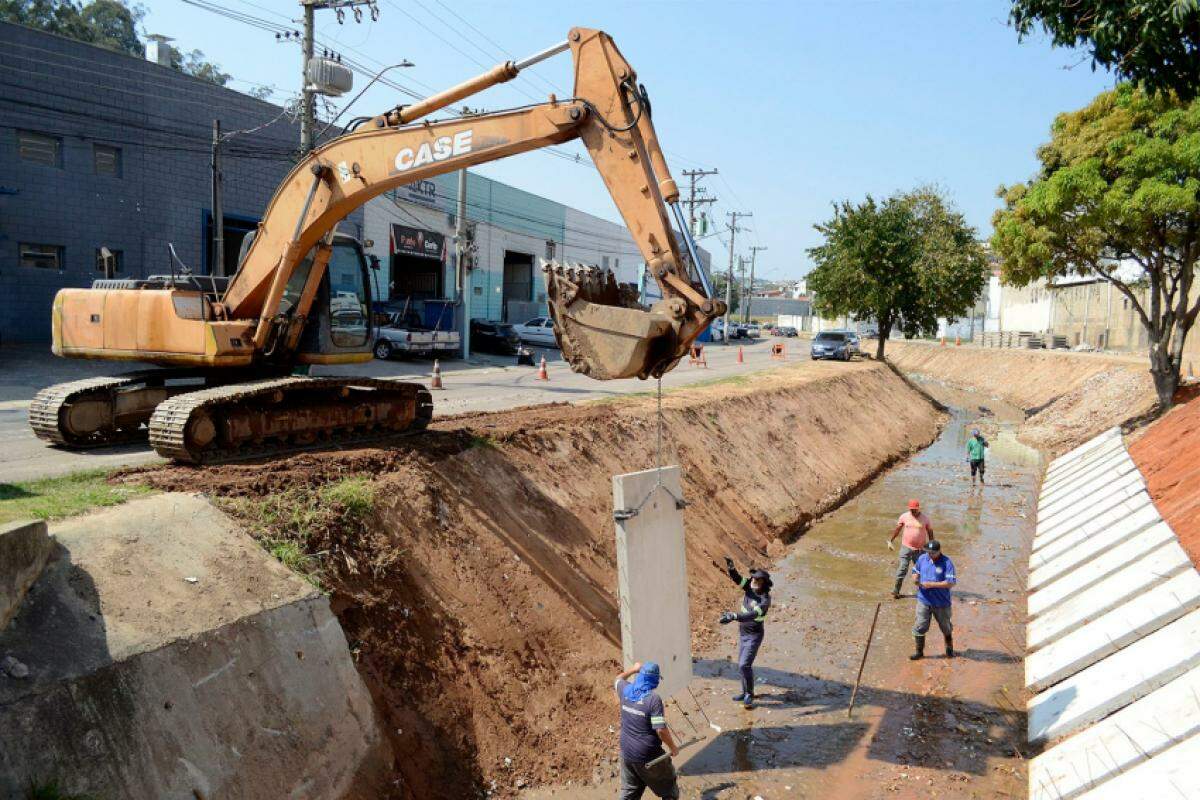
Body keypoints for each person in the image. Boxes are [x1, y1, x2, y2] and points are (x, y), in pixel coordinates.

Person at [614, 661, 680, 800]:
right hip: (649, 757)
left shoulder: (625, 690)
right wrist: (673, 748)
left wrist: (633, 669)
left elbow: (617, 679)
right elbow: (660, 730)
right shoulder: (653, 700)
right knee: (669, 789)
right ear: (655, 679)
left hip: (626, 753)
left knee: (631, 791)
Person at [718, 557, 772, 709]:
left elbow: (751, 615)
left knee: (744, 665)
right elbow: (737, 579)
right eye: (753, 578)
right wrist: (731, 567)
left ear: (764, 584)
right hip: (743, 633)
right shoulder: (749, 586)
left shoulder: (765, 600)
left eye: (757, 580)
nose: (753, 581)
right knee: (742, 665)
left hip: (754, 636)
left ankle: (750, 694)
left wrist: (734, 616)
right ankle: (744, 692)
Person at [910, 539, 956, 660]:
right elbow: (915, 570)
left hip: (941, 602)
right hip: (923, 600)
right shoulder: (922, 558)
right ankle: (919, 652)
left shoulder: (947, 563)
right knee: (920, 626)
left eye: (932, 553)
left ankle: (949, 649)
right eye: (928, 552)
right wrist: (915, 577)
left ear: (939, 551)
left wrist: (931, 584)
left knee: (946, 627)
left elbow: (950, 583)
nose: (929, 555)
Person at [888, 499, 934, 599]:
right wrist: (891, 540)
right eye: (911, 509)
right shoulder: (904, 516)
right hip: (906, 548)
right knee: (902, 568)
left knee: (922, 571)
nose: (913, 511)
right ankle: (896, 591)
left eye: (914, 509)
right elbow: (898, 529)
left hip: (920, 550)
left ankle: (923, 592)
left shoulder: (925, 519)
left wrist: (932, 547)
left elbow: (930, 532)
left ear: (918, 508)